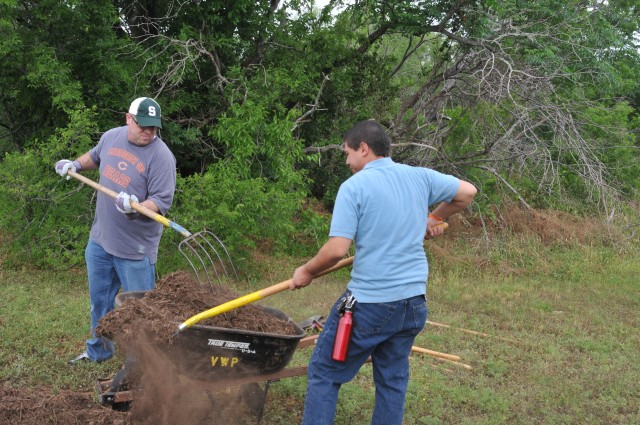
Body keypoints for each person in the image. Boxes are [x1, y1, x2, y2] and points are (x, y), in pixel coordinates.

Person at [290, 120, 477, 425]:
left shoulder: (355, 186)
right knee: (392, 381)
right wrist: (432, 217)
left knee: (324, 372)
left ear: (363, 148)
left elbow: (337, 249)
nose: (348, 162)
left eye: (348, 153)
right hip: (413, 304)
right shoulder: (419, 176)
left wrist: (307, 271)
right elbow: (467, 192)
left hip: (370, 304)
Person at [55, 97, 177, 365]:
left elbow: (159, 202)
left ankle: (141, 366)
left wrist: (134, 207)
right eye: (143, 126)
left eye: (154, 128)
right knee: (100, 303)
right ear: (128, 118)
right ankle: (99, 350)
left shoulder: (162, 157)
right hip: (100, 242)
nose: (149, 132)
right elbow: (96, 156)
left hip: (135, 251)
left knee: (140, 312)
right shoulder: (112, 137)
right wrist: (74, 164)